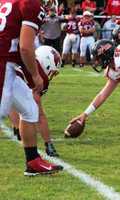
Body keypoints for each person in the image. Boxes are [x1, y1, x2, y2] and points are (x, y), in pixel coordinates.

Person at [0, 0, 63, 175]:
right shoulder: (31, 4)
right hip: (3, 61)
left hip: (8, 62)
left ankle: (33, 161)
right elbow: (25, 48)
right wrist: (35, 75)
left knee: (29, 107)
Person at [10, 45, 61, 157]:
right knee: (36, 112)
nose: (52, 75)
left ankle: (17, 130)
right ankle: (48, 146)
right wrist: (48, 142)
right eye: (52, 71)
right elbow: (39, 115)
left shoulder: (25, 57)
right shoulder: (40, 75)